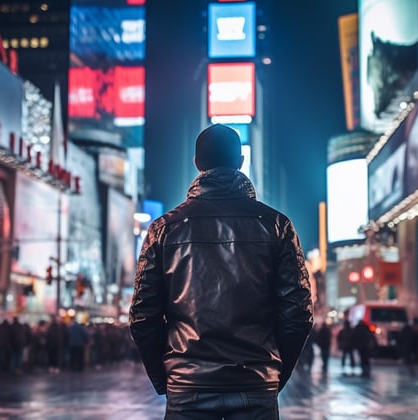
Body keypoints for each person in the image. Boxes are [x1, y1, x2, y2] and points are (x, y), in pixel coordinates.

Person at [129, 124, 314, 420]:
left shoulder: (163, 229)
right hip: (255, 384)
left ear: (196, 164)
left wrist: (166, 377)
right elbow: (298, 312)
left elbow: (142, 316)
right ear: (241, 162)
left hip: (187, 387)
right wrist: (273, 373)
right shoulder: (276, 225)